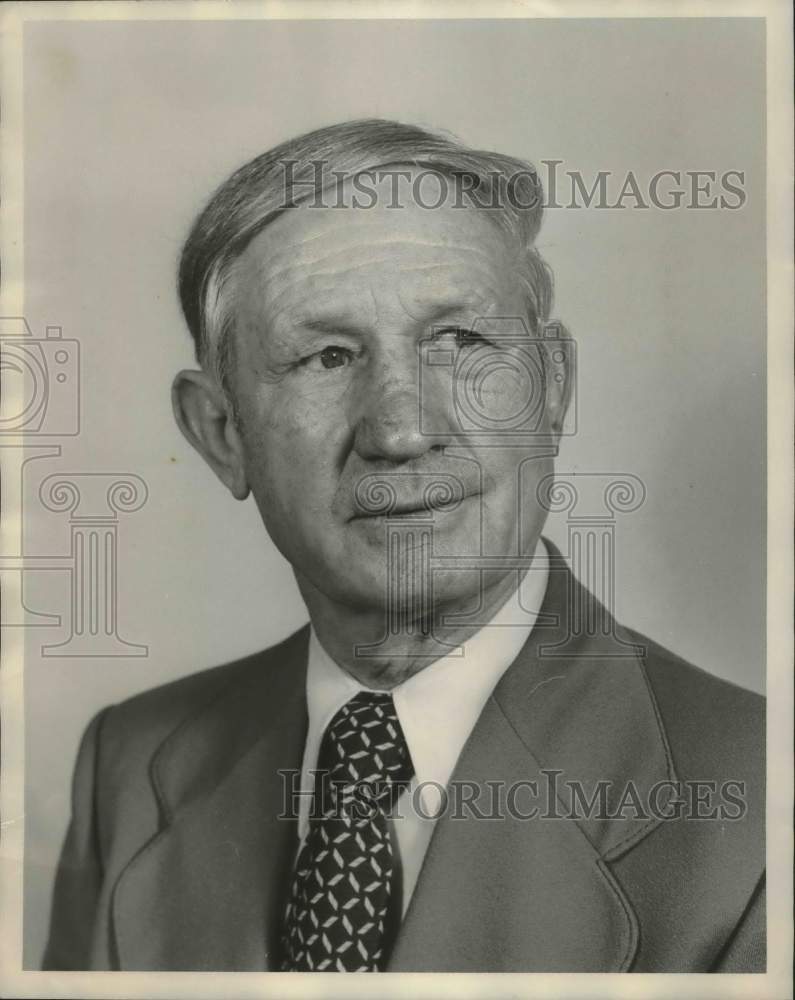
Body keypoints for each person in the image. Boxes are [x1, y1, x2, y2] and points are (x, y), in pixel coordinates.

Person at [43, 119, 764, 973]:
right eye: (326, 356)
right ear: (220, 431)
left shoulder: (761, 807)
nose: (401, 429)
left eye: (459, 342)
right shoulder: (127, 764)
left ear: (553, 386)